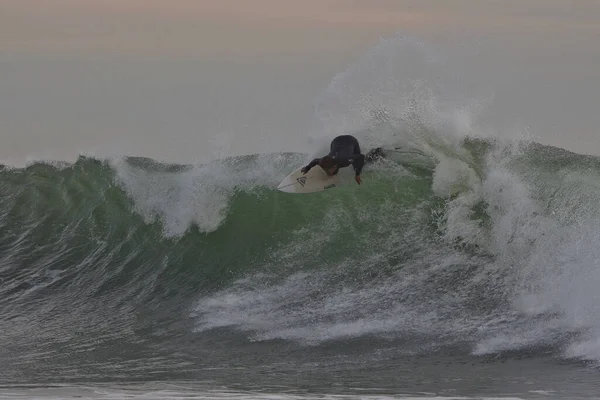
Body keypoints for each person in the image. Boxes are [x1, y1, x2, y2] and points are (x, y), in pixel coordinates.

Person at [301, 135, 381, 185]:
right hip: (336, 140)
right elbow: (315, 161)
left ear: (334, 166)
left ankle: (378, 151)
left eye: (327, 170)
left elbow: (361, 157)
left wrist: (357, 174)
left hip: (351, 140)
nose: (326, 172)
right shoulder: (323, 160)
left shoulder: (346, 160)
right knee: (333, 173)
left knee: (359, 163)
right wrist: (307, 168)